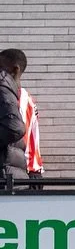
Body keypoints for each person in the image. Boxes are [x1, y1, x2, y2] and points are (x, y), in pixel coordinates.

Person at [0, 50, 42, 180]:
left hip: (16, 168)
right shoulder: (24, 98)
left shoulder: (21, 98)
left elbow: (29, 136)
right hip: (22, 168)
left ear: (15, 69)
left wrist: (34, 169)